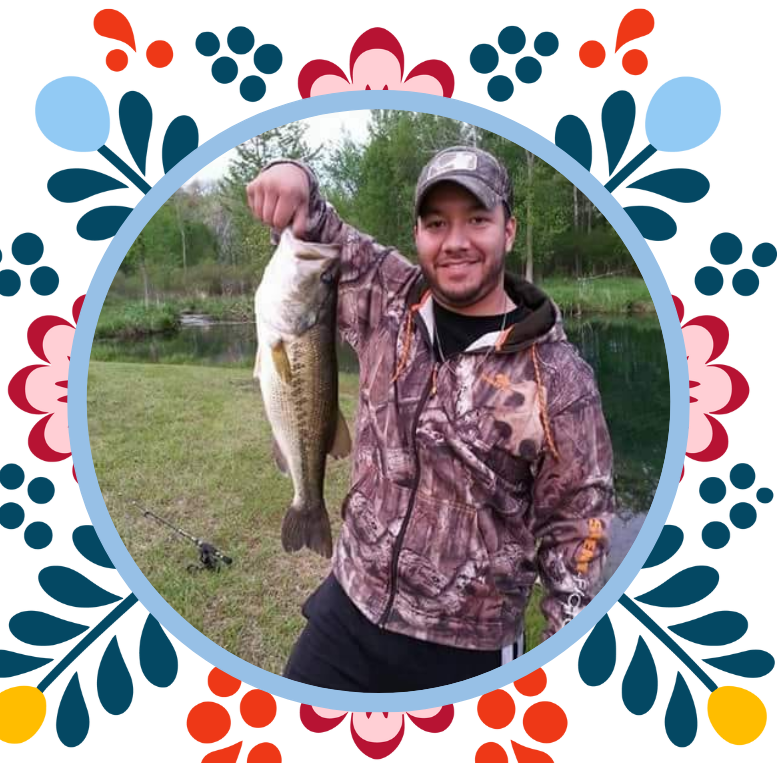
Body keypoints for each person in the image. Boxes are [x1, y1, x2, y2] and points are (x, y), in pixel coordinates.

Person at [247, 146, 615, 692]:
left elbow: (578, 534)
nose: (456, 241)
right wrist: (295, 174)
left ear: (508, 231)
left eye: (478, 220)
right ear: (418, 233)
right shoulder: (389, 299)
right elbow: (319, 228)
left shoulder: (560, 381)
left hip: (467, 652)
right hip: (350, 603)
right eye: (437, 223)